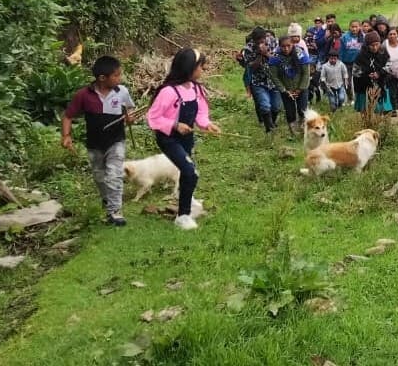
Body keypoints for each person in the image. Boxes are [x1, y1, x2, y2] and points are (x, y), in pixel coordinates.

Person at [146, 48, 221, 230]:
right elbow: (153, 118)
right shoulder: (168, 92)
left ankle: (184, 195)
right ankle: (183, 215)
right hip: (169, 139)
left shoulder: (196, 88)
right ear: (189, 68)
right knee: (190, 172)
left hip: (187, 138)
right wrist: (174, 124)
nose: (202, 70)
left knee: (186, 170)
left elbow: (201, 113)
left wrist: (206, 125)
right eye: (200, 67)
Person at [61, 56, 135, 226]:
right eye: (116, 75)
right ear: (102, 78)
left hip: (116, 141)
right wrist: (66, 136)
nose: (119, 78)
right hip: (94, 144)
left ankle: (115, 212)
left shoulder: (121, 92)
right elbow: (68, 116)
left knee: (115, 174)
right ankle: (107, 201)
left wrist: (130, 118)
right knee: (99, 177)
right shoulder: (83, 95)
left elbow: (130, 110)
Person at [239, 29, 283, 132]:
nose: (260, 42)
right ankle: (269, 129)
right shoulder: (248, 48)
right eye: (257, 41)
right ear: (253, 40)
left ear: (265, 37)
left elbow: (279, 60)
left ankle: (272, 122)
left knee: (276, 106)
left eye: (262, 39)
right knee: (265, 105)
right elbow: (251, 67)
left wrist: (266, 54)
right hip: (258, 81)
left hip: (274, 80)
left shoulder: (274, 42)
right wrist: (259, 54)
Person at [269, 35, 312, 134]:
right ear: (279, 46)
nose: (286, 48)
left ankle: (304, 128)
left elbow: (306, 73)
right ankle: (293, 130)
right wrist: (284, 90)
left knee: (303, 109)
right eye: (283, 46)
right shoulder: (275, 57)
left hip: (301, 86)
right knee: (290, 111)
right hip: (286, 88)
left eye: (288, 45)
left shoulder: (300, 54)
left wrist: (300, 89)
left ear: (293, 44)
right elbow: (274, 76)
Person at [353, 31, 389, 114]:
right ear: (367, 45)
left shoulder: (383, 53)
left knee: (378, 111)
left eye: (377, 44)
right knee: (365, 110)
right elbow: (356, 71)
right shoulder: (361, 56)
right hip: (364, 87)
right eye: (372, 45)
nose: (375, 47)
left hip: (379, 85)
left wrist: (379, 73)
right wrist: (367, 75)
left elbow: (389, 66)